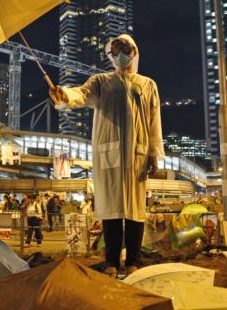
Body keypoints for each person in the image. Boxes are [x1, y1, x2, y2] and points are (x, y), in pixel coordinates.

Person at [50, 34, 164, 278]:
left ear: (135, 52)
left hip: (137, 155)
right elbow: (80, 94)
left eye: (125, 49)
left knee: (135, 210)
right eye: (115, 51)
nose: (120, 55)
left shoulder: (148, 85)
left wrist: (154, 153)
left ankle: (133, 260)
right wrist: (63, 95)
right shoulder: (101, 81)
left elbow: (155, 123)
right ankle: (111, 261)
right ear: (109, 56)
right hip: (108, 153)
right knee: (111, 209)